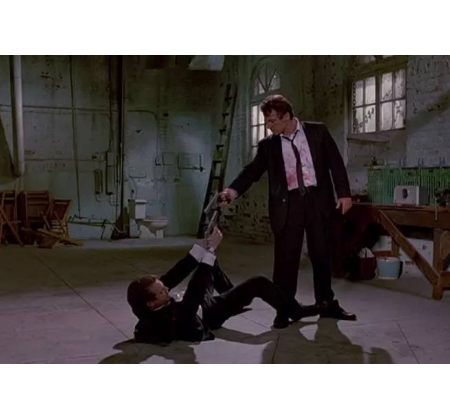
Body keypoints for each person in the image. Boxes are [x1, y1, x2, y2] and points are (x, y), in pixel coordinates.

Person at [219, 94, 357, 329]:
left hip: (318, 201)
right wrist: (231, 192)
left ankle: (326, 304)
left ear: (287, 116)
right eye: (266, 121)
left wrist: (344, 194)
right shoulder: (268, 145)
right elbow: (252, 171)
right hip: (288, 204)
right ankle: (284, 308)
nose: (268, 125)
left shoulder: (318, 132)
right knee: (286, 260)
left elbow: (335, 163)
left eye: (272, 120)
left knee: (322, 254)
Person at [126, 227, 318, 344]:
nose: (166, 289)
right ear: (151, 303)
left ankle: (232, 295)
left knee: (210, 265)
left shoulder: (146, 299)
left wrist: (201, 247)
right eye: (162, 292)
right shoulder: (164, 319)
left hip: (197, 303)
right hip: (209, 313)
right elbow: (194, 294)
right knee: (258, 281)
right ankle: (296, 311)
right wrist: (211, 250)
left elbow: (173, 275)